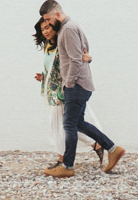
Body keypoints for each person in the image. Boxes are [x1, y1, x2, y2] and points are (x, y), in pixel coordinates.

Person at [39, 0, 126, 178]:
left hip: (76, 85)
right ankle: (112, 149)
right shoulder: (71, 27)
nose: (46, 23)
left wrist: (69, 82)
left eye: (47, 19)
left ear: (57, 14)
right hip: (81, 84)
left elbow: (76, 59)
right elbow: (85, 49)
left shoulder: (68, 29)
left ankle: (67, 166)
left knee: (69, 124)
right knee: (78, 123)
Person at [33, 18, 105, 169]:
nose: (45, 31)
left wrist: (89, 58)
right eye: (42, 29)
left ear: (55, 27)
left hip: (65, 91)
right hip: (53, 92)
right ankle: (97, 144)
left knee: (62, 127)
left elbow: (77, 59)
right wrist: (43, 77)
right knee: (68, 126)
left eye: (48, 27)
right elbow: (53, 68)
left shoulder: (63, 42)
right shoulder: (48, 46)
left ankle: (62, 161)